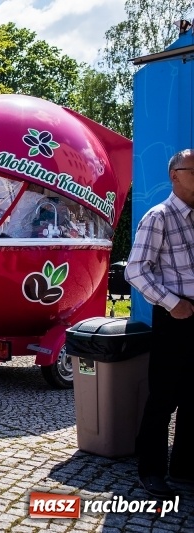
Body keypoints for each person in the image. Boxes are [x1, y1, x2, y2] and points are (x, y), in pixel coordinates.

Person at [124, 148, 194, 498]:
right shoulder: (159, 216)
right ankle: (150, 471)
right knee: (163, 396)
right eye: (193, 171)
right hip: (174, 316)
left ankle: (184, 466)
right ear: (174, 175)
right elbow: (135, 270)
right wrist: (172, 303)